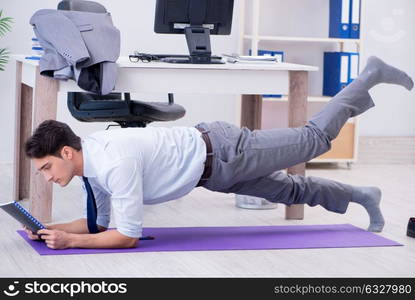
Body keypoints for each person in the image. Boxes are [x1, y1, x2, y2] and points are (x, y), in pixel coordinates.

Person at [23, 56, 413, 249]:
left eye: (46, 167)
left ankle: (368, 77)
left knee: (312, 140)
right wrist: (52, 231)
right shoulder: (94, 161)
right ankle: (363, 197)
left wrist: (71, 243)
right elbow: (100, 225)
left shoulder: (114, 164)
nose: (47, 176)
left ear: (67, 153)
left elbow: (125, 236)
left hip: (227, 151)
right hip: (214, 174)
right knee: (292, 190)